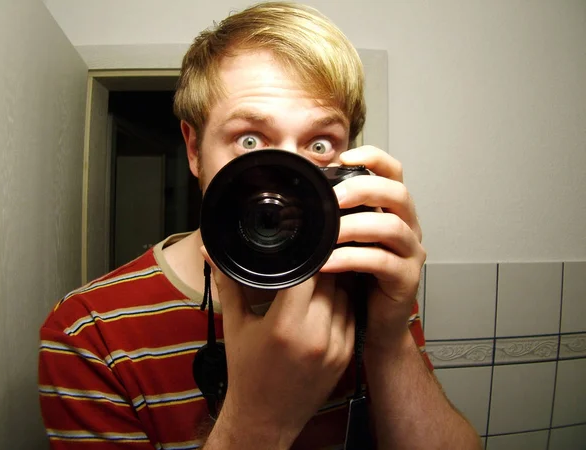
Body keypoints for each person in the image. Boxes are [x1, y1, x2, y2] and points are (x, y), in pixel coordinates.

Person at [39, 2, 481, 449]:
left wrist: (388, 340)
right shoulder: (88, 332)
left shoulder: (366, 278)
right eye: (249, 139)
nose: (283, 174)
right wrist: (256, 421)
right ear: (194, 150)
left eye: (320, 142)